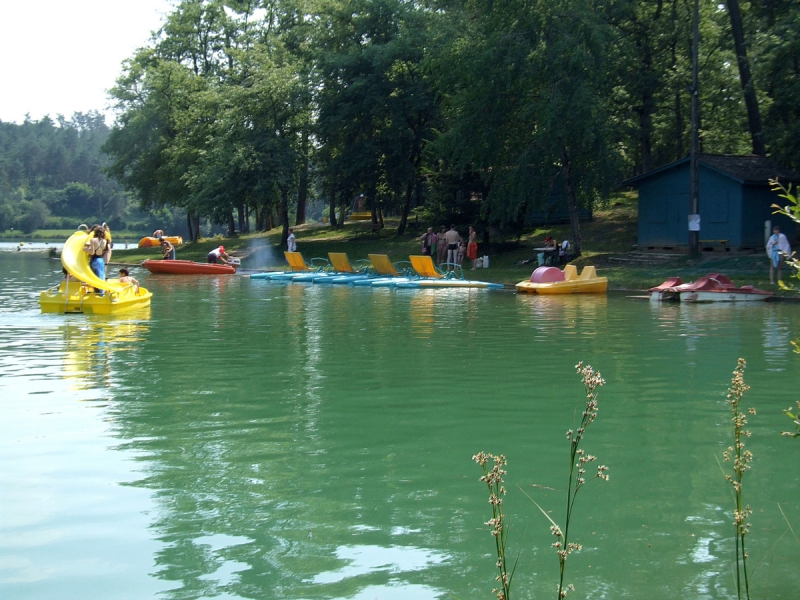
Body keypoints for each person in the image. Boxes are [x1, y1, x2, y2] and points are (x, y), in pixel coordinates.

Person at [83, 225, 107, 294]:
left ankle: (97, 293)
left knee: (94, 277)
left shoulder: (93, 240)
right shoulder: (104, 241)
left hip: (94, 260)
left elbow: (92, 252)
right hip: (101, 260)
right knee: (101, 277)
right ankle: (102, 293)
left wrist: (85, 249)